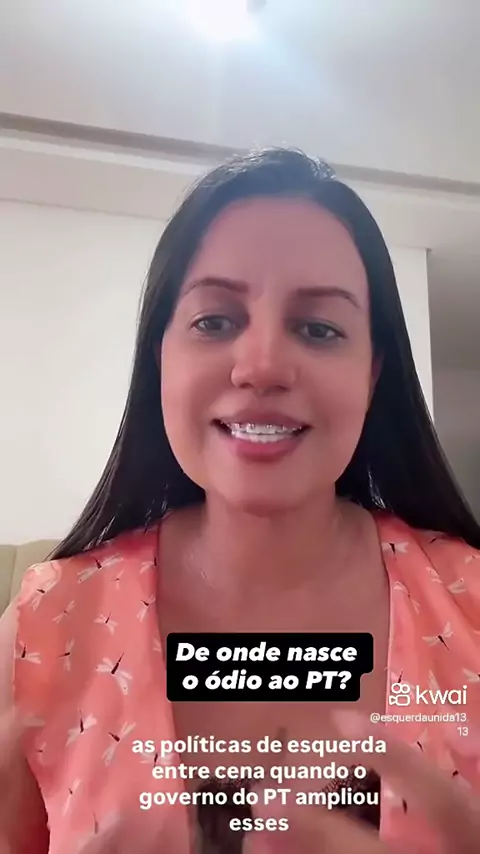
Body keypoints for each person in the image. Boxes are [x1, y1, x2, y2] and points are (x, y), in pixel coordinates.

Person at [0, 148, 479, 854]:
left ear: (372, 372)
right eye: (215, 321)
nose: (261, 367)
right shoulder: (42, 629)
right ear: (159, 354)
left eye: (319, 328)